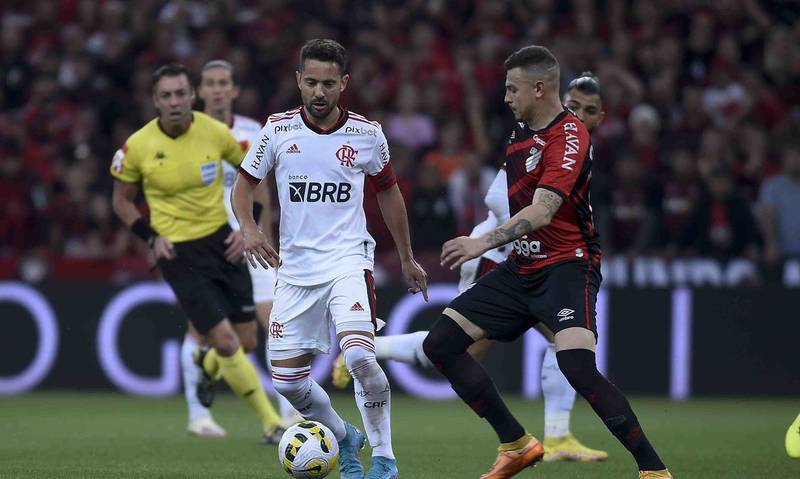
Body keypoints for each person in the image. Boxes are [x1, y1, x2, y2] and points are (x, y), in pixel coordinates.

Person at [332, 72, 609, 463]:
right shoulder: (538, 137)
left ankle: (559, 436)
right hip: (496, 257)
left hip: (532, 259)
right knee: (462, 349)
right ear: (558, 101)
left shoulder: (575, 146)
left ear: (601, 117)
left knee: (563, 338)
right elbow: (497, 197)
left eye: (590, 110)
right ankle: (368, 349)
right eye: (574, 105)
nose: (580, 114)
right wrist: (536, 216)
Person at [425, 46, 672, 479]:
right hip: (522, 267)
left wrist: (479, 242)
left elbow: (543, 210)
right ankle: (517, 444)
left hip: (567, 265)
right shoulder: (521, 129)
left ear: (539, 88)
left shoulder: (571, 136)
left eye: (512, 88)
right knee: (440, 344)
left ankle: (653, 470)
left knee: (576, 365)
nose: (505, 97)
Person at [232, 39, 428, 479]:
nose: (319, 93)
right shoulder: (278, 131)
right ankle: (343, 436)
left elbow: (389, 192)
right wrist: (249, 228)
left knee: (359, 357)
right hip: (296, 270)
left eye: (328, 84)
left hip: (347, 261)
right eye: (311, 83)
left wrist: (407, 257)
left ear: (343, 83)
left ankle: (384, 459)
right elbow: (243, 185)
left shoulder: (366, 134)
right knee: (286, 382)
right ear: (299, 81)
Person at [110, 63, 285, 444]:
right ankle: (272, 423)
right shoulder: (137, 146)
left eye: (180, 94)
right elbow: (121, 202)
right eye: (166, 95)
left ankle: (207, 365)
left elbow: (253, 180)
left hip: (223, 243)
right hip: (178, 253)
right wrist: (150, 235)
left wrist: (249, 229)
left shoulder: (217, 134)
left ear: (192, 96)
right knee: (223, 339)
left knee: (247, 342)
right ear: (155, 100)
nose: (174, 102)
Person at [174, 59, 298, 439]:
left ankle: (291, 413)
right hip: (205, 247)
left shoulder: (251, 132)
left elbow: (263, 191)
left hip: (251, 240)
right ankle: (200, 417)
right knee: (202, 330)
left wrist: (263, 236)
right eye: (208, 83)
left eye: (222, 82)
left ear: (233, 90)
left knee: (274, 326)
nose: (215, 89)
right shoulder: (185, 133)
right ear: (199, 91)